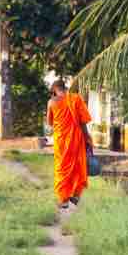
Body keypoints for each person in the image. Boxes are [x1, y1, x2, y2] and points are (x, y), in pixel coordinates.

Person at [47, 78, 92, 212]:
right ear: (64, 87)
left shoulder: (51, 102)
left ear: (54, 89)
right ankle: (76, 197)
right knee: (78, 166)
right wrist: (87, 136)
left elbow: (50, 122)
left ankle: (63, 200)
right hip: (76, 138)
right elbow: (83, 121)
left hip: (61, 140)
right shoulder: (75, 99)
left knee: (62, 168)